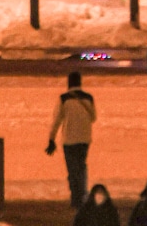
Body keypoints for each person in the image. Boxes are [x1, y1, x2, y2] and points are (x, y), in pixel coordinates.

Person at [46, 69, 96, 208]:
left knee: (72, 169)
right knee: (81, 166)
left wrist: (51, 139)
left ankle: (76, 196)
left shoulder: (64, 99)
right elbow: (93, 118)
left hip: (69, 139)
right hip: (85, 139)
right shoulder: (88, 98)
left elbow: (56, 121)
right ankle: (82, 194)